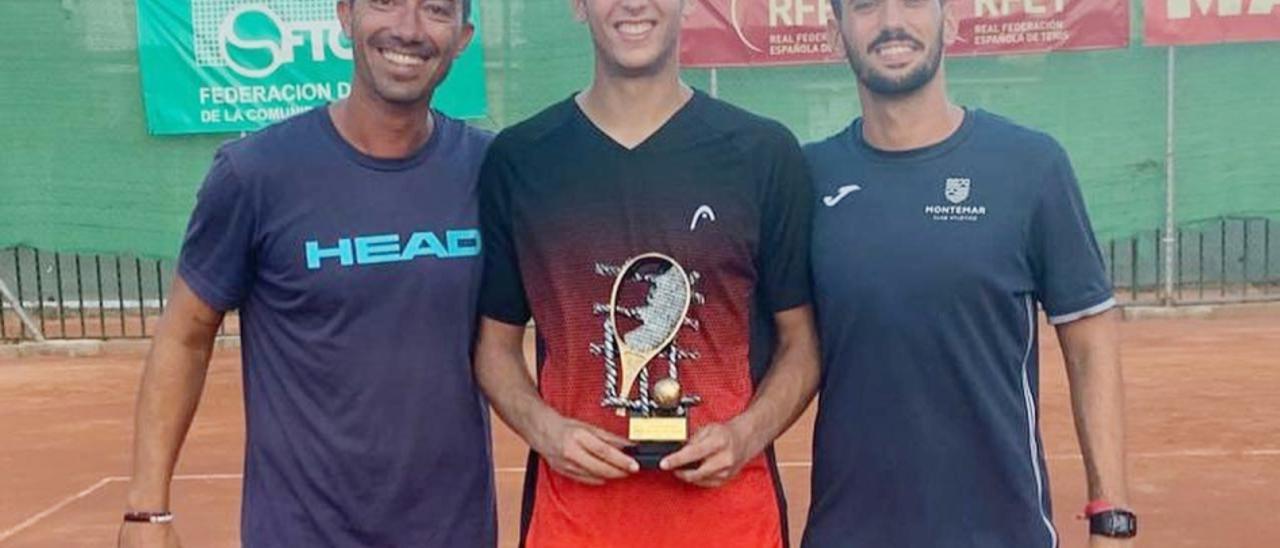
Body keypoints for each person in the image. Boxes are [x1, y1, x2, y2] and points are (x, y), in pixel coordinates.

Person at [120, 1, 496, 546]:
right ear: (345, 16)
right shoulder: (254, 172)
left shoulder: (490, 171)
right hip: (300, 532)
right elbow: (184, 335)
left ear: (462, 38)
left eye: (435, 10)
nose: (408, 29)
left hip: (453, 532)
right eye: (385, 3)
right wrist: (146, 511)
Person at [472, 0, 822, 546]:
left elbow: (802, 343)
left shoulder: (764, 153)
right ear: (578, 7)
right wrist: (546, 430)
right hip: (574, 522)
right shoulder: (520, 159)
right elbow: (495, 347)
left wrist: (746, 434)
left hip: (730, 521)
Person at [802, 0, 1136, 546]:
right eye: (865, 7)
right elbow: (792, 349)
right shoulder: (809, 176)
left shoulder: (1030, 165)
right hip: (849, 532)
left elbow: (1090, 342)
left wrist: (1112, 517)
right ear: (836, 31)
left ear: (949, 20)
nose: (891, 22)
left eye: (912, 3)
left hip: (1001, 532)